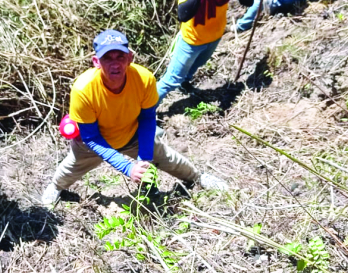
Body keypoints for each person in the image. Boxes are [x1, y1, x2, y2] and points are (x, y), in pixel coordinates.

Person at [41, 30, 228, 205]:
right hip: (95, 141)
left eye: (120, 56)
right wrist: (127, 168)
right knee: (72, 167)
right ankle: (56, 187)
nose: (115, 63)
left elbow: (147, 119)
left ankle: (197, 177)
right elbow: (90, 137)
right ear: (96, 62)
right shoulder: (83, 89)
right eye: (107, 57)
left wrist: (144, 158)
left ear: (130, 57)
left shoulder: (144, 79)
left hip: (132, 134)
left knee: (168, 158)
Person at [157, 0, 255, 103]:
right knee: (170, 80)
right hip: (192, 41)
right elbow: (183, 14)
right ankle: (145, 113)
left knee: (196, 65)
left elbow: (248, 1)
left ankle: (185, 84)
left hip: (214, 36)